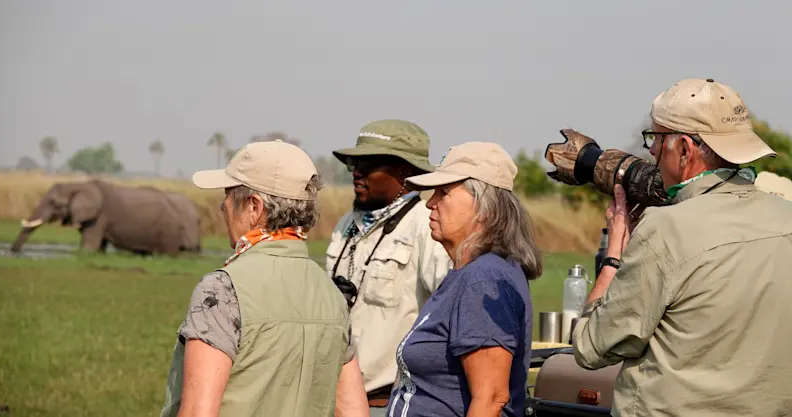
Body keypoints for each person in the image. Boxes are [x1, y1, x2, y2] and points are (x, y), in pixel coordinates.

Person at [573, 78, 792, 416]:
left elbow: (591, 347)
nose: (651, 153)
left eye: (656, 140)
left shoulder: (665, 230)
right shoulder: (786, 217)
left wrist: (614, 256)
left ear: (686, 149)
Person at [160, 140, 369, 417]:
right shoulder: (332, 295)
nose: (223, 207)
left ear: (254, 207)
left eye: (228, 195)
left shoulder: (221, 290)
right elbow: (355, 412)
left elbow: (199, 412)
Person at [385, 141, 543, 417]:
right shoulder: (469, 274)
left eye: (443, 192)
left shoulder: (484, 280)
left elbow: (491, 398)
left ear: (484, 206)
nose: (430, 203)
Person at [326, 119, 453, 416]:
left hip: (386, 403)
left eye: (369, 165)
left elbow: (449, 319)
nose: (357, 172)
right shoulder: (347, 223)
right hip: (332, 398)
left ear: (405, 171)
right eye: (354, 164)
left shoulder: (427, 226)